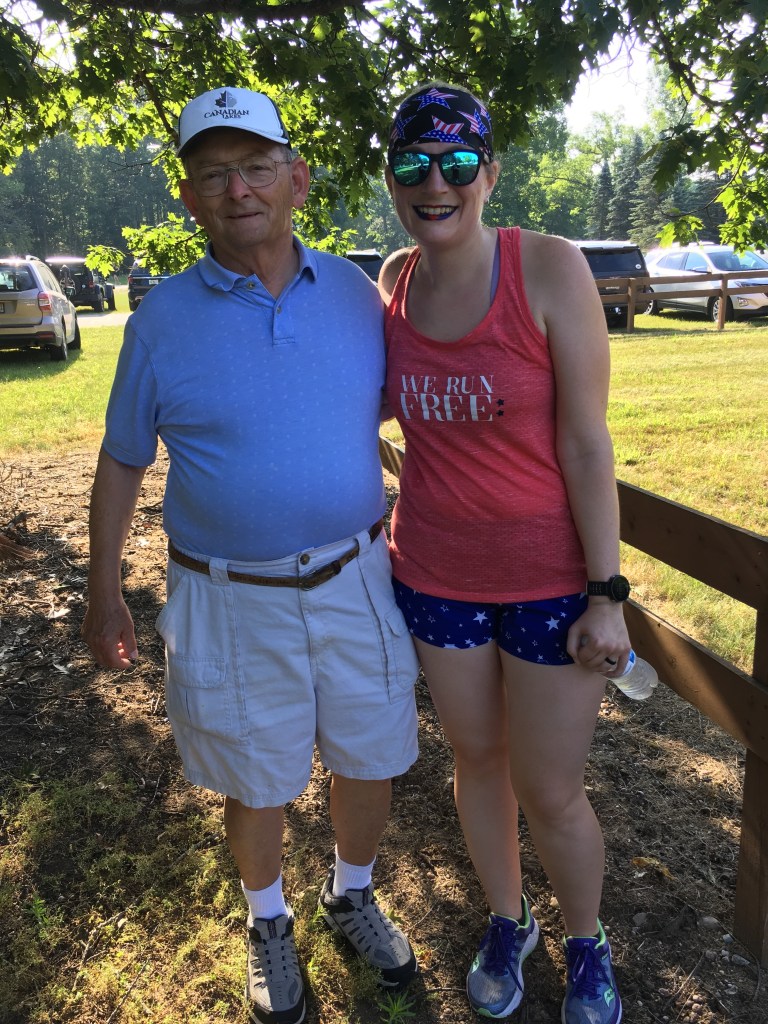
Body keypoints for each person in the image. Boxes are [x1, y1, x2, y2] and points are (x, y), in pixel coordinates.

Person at [82, 85, 420, 1024]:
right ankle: (267, 919)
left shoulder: (356, 296)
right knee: (254, 774)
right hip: (228, 596)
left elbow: (405, 408)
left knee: (371, 755)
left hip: (357, 576)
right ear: (188, 197)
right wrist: (103, 587)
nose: (238, 189)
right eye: (214, 174)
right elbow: (122, 457)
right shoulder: (159, 322)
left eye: (257, 167)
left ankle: (351, 893)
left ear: (297, 180)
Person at [379, 82, 631, 1024]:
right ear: (392, 180)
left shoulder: (549, 269)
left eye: (456, 162)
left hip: (551, 584)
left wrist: (607, 591)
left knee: (551, 788)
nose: (434, 183)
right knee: (477, 760)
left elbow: (587, 444)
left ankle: (587, 943)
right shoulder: (393, 283)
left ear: (488, 173)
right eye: (412, 164)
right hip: (435, 578)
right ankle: (507, 918)